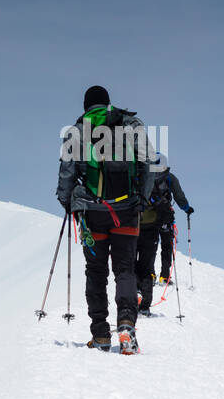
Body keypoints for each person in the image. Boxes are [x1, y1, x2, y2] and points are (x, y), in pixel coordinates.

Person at [56, 84, 154, 354]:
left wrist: (67, 202)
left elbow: (66, 171)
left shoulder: (77, 131)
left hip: (91, 213)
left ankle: (100, 334)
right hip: (126, 210)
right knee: (125, 269)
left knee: (96, 271)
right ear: (109, 103)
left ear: (86, 106)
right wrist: (142, 199)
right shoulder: (132, 124)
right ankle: (126, 326)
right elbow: (148, 163)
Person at [135, 157, 193, 314]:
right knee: (167, 245)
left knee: (146, 252)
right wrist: (187, 208)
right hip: (165, 215)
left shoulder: (143, 174)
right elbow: (179, 196)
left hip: (145, 219)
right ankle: (164, 276)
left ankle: (151, 275)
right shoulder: (169, 177)